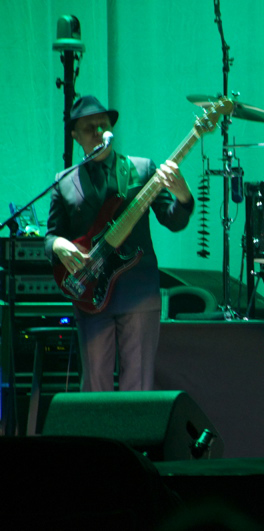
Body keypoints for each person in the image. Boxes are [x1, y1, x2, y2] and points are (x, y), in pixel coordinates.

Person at [45, 95, 194, 391]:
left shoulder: (142, 169)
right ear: (75, 136)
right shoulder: (64, 181)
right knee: (95, 387)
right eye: (89, 128)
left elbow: (172, 221)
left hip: (137, 290)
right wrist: (59, 245)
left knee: (138, 386)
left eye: (103, 125)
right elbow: (50, 236)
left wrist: (184, 198)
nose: (98, 131)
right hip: (89, 291)